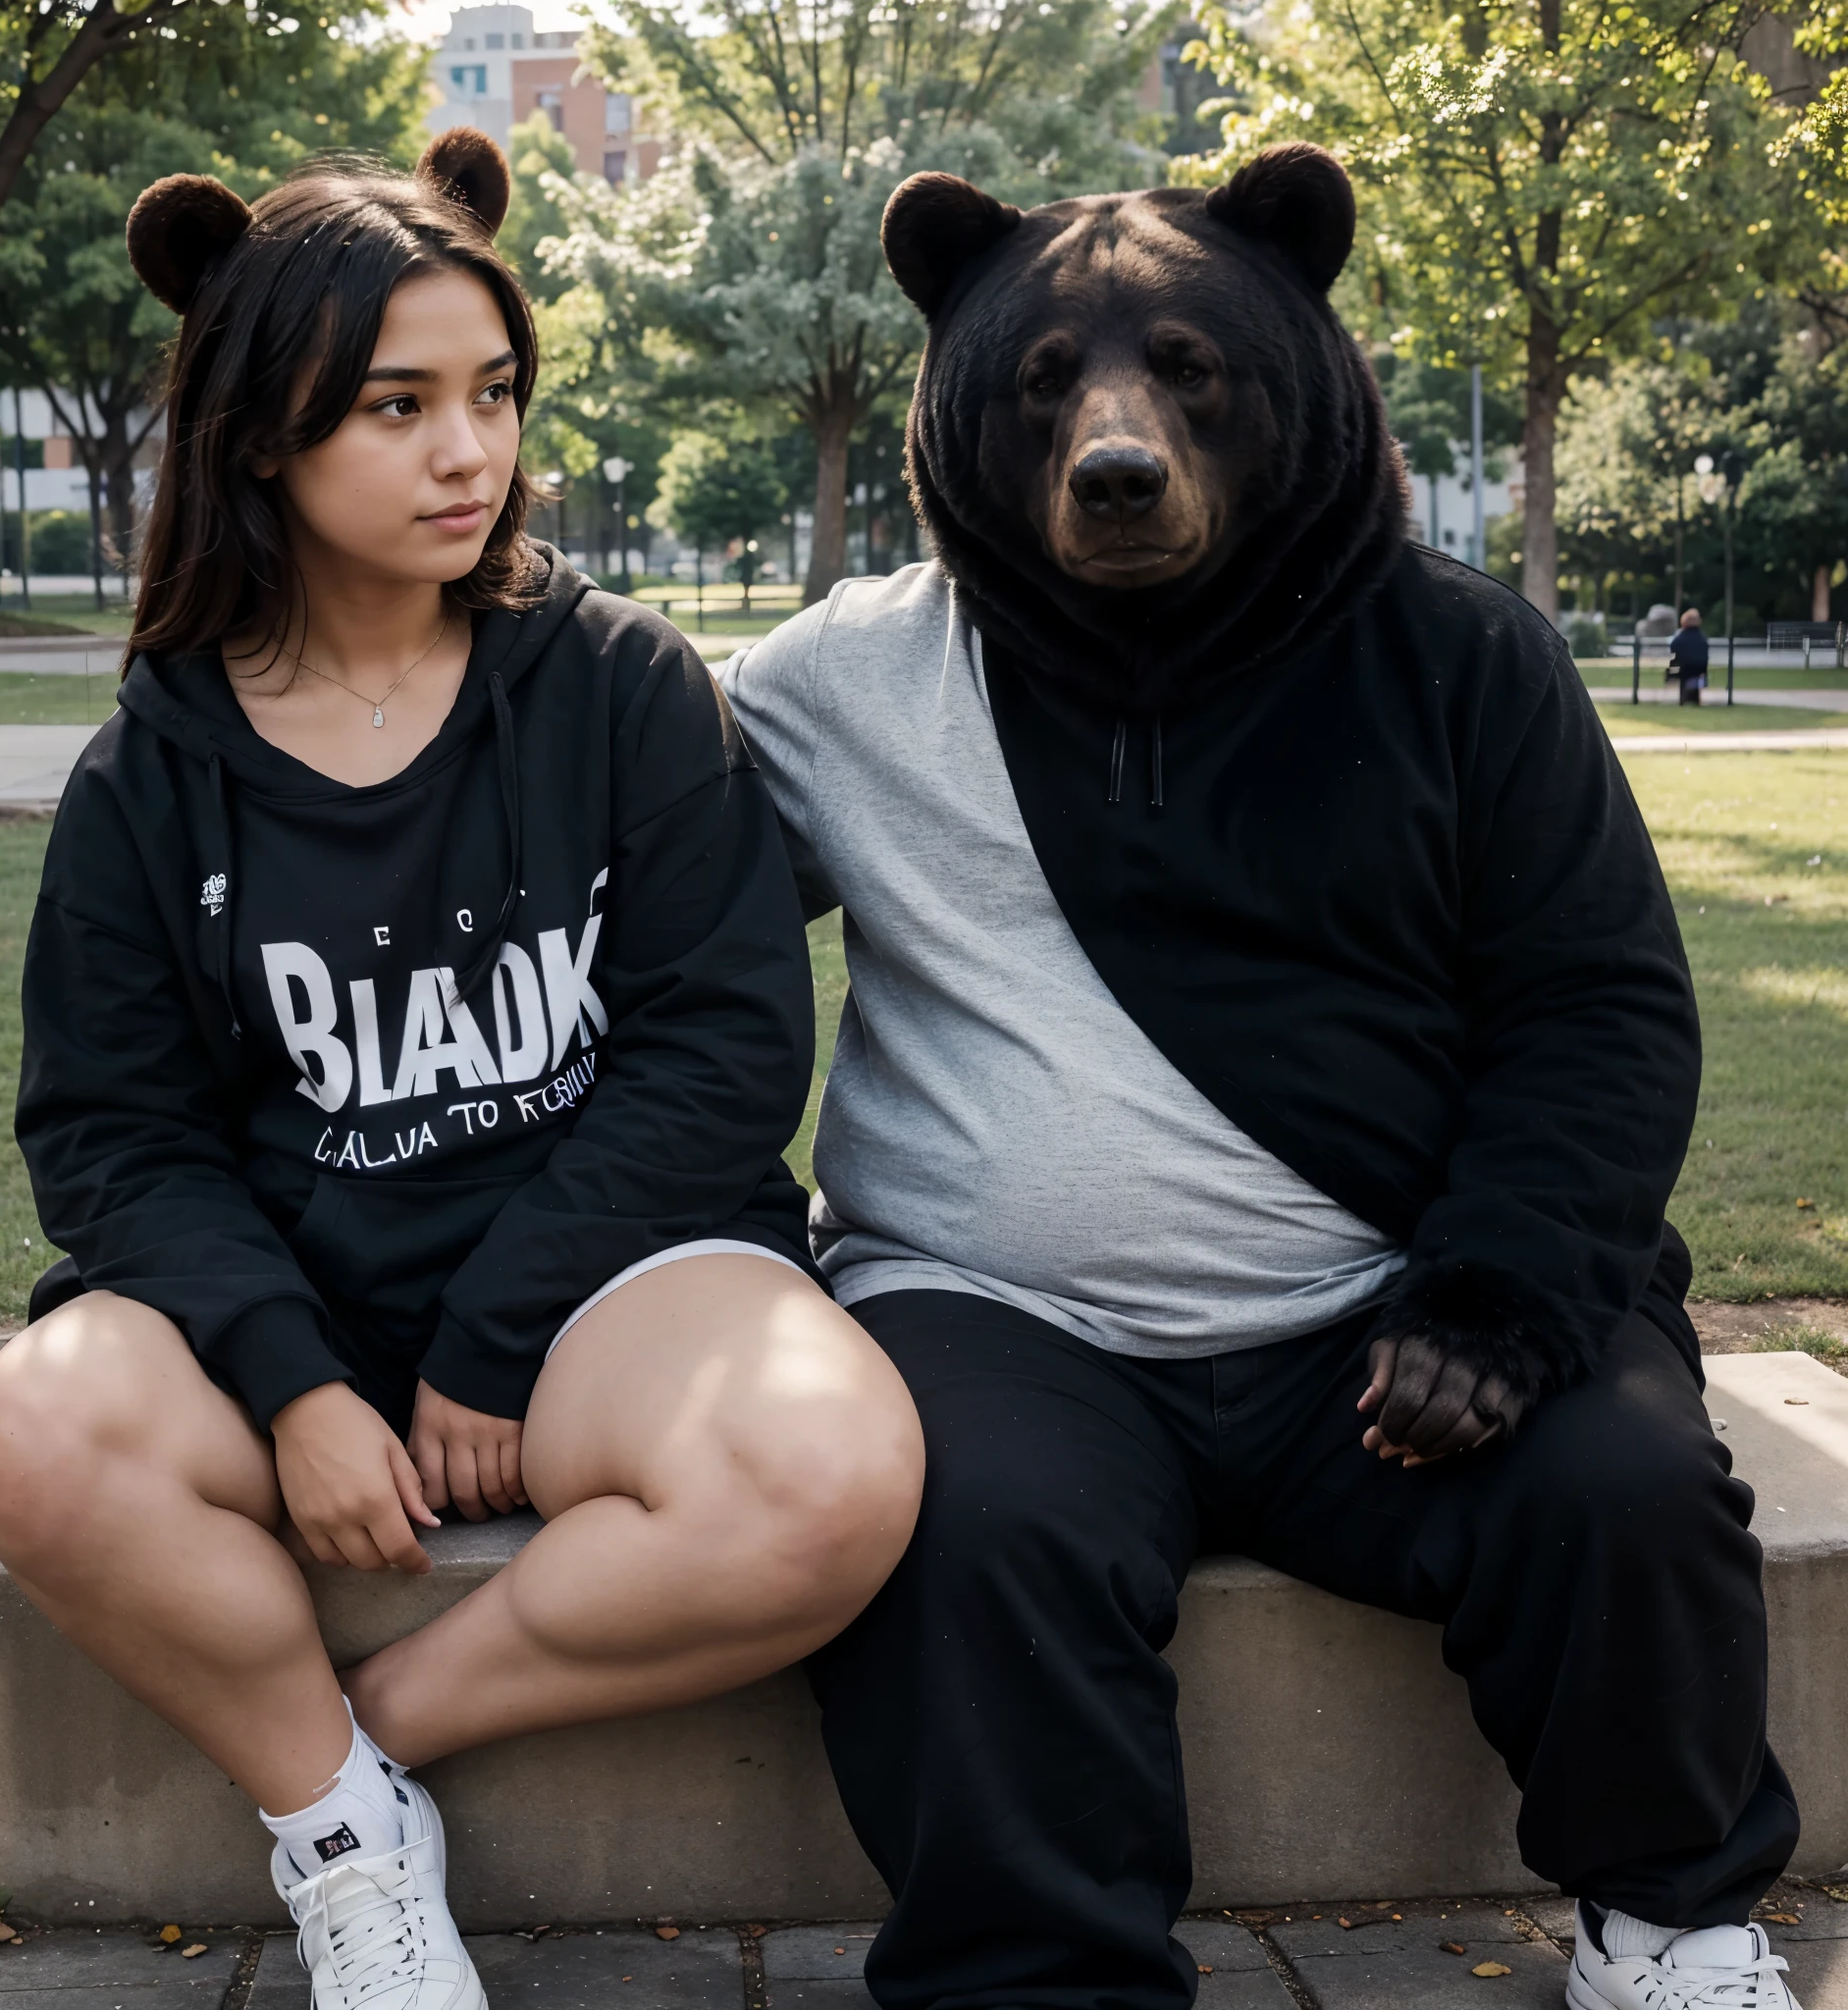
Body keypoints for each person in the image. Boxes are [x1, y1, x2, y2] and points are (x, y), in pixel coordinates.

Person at [721, 148, 1801, 2010]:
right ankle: (1038, 1985)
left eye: (1183, 371)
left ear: (1284, 368)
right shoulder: (831, 690)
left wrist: (1501, 1299)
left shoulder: (1464, 658)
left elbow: (1595, 1006)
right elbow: (642, 954)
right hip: (999, 1314)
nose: (1115, 433)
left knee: (1618, 1485)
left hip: (1401, 1308)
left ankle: (1669, 1922)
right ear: (962, 407)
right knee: (959, 1530)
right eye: (1048, 383)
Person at [0, 132, 924, 2010]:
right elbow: (113, 1135)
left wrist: (493, 1332)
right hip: (296, 1293)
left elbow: (722, 1049)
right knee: (36, 1424)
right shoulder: (148, 773)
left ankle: (366, 1750)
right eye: (396, 406)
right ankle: (341, 1846)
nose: (466, 452)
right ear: (262, 436)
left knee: (832, 1469)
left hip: (601, 1292)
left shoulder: (627, 685)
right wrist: (293, 1378)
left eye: (489, 393)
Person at [1669, 607, 1712, 704]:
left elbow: (1673, 646)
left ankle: (1683, 700)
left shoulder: (1682, 636)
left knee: (1683, 675)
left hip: (1685, 667)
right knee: (1695, 676)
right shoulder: (1701, 636)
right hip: (1700, 667)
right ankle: (1695, 699)